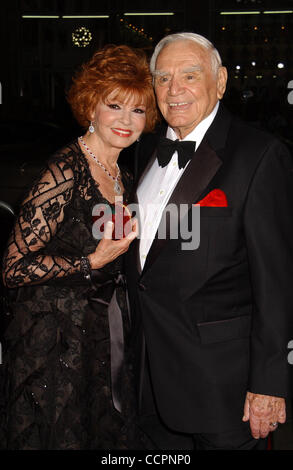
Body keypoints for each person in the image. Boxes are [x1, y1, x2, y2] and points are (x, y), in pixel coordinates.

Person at [126, 32, 293, 450]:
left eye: (189, 75)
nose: (174, 89)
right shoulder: (141, 149)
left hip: (224, 388)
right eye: (163, 78)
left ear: (219, 82)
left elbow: (277, 283)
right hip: (145, 378)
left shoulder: (259, 155)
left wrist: (269, 384)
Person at [0, 44, 158, 450]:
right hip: (55, 339)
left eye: (137, 110)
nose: (126, 120)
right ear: (91, 108)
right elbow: (14, 267)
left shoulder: (122, 173)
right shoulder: (65, 170)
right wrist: (92, 261)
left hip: (101, 335)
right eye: (114, 105)